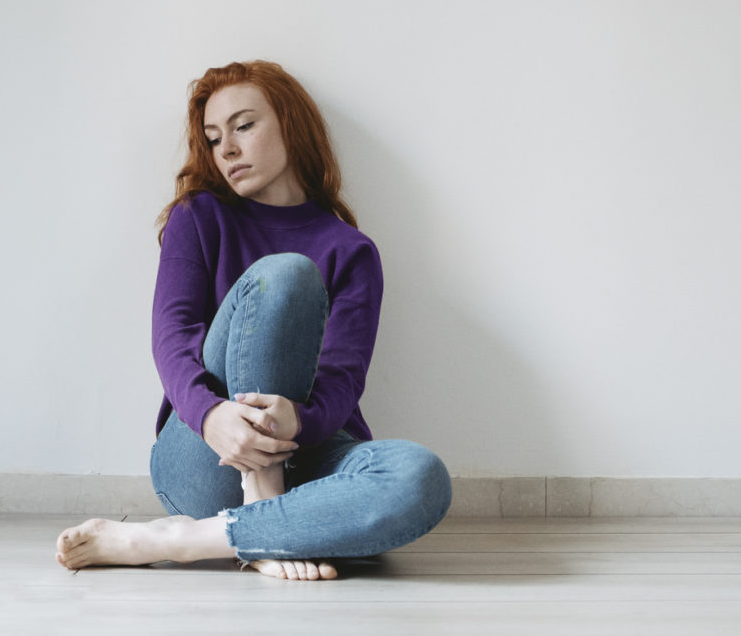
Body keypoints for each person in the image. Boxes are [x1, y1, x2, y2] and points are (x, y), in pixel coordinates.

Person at [55, 60, 452, 580]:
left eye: (243, 125)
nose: (228, 150)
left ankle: (188, 538)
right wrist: (212, 417)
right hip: (205, 451)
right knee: (285, 276)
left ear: (291, 124)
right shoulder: (197, 216)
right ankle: (269, 511)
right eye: (215, 138)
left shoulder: (351, 251)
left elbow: (342, 380)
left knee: (422, 477)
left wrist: (300, 422)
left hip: (310, 452)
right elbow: (172, 340)